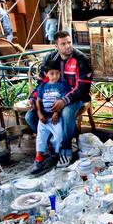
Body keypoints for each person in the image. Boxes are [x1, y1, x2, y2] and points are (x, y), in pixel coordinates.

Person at [25, 31, 93, 168]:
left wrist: (64, 101)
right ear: (56, 46)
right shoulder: (50, 58)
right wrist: (32, 99)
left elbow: (83, 88)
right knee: (30, 116)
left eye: (69, 42)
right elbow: (41, 83)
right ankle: (53, 143)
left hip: (76, 97)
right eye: (63, 44)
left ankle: (66, 149)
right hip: (51, 97)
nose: (68, 46)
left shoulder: (81, 59)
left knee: (67, 112)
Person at [31, 60, 71, 174]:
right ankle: (38, 159)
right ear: (46, 74)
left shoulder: (62, 85)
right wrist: (39, 113)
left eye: (57, 73)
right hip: (44, 117)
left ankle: (53, 148)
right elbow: (38, 101)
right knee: (40, 137)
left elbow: (63, 100)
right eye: (52, 73)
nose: (55, 76)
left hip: (56, 118)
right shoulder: (43, 86)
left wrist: (57, 113)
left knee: (58, 136)